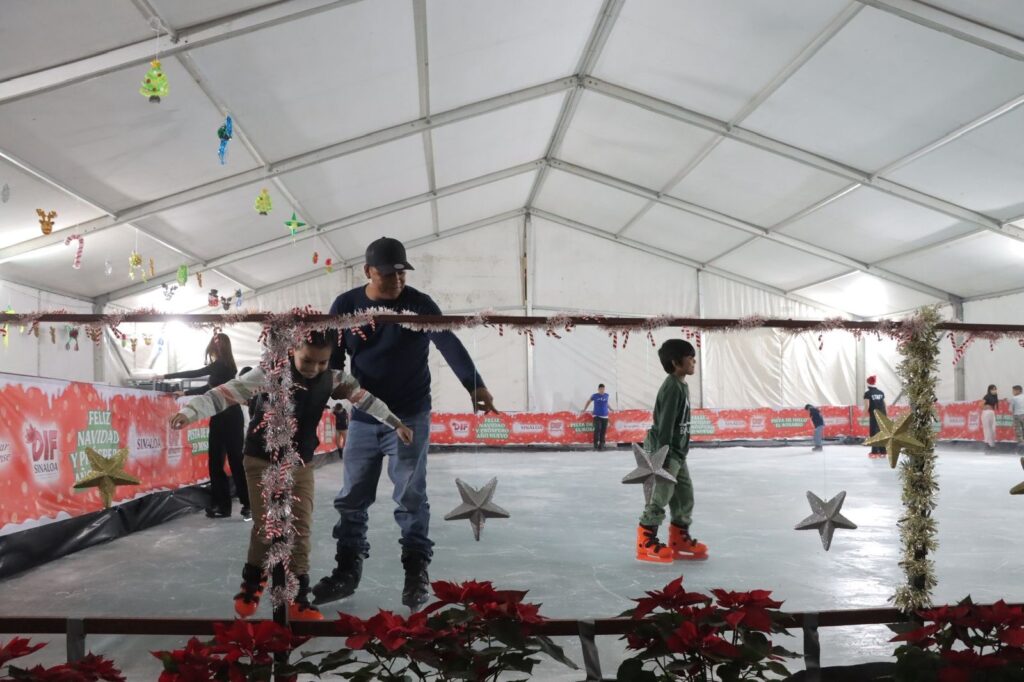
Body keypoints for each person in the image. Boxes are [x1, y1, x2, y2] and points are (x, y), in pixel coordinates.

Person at [168, 330, 413, 621]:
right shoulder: (269, 374)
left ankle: (297, 597)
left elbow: (366, 399)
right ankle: (253, 580)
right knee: (267, 526)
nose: (314, 368)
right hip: (261, 458)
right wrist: (190, 411)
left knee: (300, 526)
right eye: (308, 360)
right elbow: (224, 394)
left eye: (322, 362)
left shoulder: (333, 380)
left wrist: (395, 423)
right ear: (292, 349)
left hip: (301, 461)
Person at [313, 237, 497, 610]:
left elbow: (449, 343)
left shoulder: (419, 305)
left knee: (411, 497)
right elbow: (332, 356)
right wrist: (325, 388)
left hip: (410, 415)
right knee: (352, 497)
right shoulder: (346, 306)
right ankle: (347, 569)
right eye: (387, 275)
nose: (396, 281)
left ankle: (416, 572)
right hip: (365, 417)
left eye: (401, 274)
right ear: (368, 272)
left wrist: (474, 384)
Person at [159, 333, 249, 520]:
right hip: (219, 417)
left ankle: (246, 504)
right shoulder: (224, 367)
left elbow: (195, 373)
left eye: (213, 349)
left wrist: (167, 376)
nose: (212, 353)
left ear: (217, 349)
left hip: (230, 417)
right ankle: (224, 506)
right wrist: (185, 392)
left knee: (233, 462)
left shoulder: (223, 366)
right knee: (217, 462)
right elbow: (210, 390)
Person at [635, 339, 708, 564]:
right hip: (664, 452)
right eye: (690, 357)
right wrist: (662, 457)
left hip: (677, 452)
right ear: (676, 362)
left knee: (684, 495)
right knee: (660, 496)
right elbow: (664, 423)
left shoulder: (681, 384)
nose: (694, 360)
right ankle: (645, 541)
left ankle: (679, 539)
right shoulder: (672, 387)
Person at [580, 383, 612, 450]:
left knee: (603, 431)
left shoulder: (606, 395)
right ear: (598, 389)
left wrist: (611, 408)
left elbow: (606, 403)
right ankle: (595, 444)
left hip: (605, 416)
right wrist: (584, 409)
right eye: (600, 389)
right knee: (597, 429)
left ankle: (602, 444)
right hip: (597, 416)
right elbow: (588, 401)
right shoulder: (595, 395)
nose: (602, 390)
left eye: (603, 389)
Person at [864, 375, 887, 459]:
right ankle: (883, 451)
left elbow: (867, 405)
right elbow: (884, 404)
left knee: (874, 433)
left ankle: (875, 452)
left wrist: (863, 415)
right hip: (882, 415)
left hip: (874, 416)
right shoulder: (881, 392)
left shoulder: (867, 393)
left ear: (868, 384)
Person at [980, 384, 1000, 450]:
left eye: (995, 389)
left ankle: (991, 444)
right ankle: (987, 444)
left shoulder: (995, 396)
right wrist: (985, 407)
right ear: (989, 390)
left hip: (991, 413)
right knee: (987, 429)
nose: (994, 390)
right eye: (993, 389)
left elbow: (995, 403)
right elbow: (980, 404)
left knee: (993, 429)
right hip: (986, 413)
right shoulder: (987, 396)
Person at [1011, 385, 1024, 450]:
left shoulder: (1014, 398)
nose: (1012, 392)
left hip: (1017, 415)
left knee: (1018, 431)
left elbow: (1011, 409)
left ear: (1018, 391)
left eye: (1013, 390)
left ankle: (1021, 445)